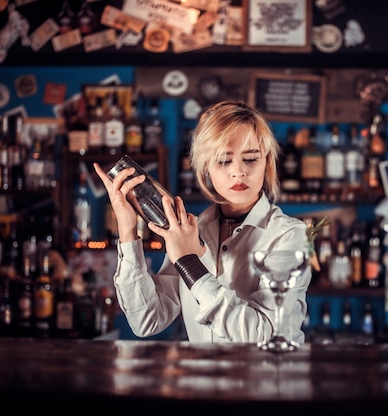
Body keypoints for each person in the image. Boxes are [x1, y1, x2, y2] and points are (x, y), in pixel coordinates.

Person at [93, 100, 311, 344]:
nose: (238, 171)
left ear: (266, 163)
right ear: (207, 168)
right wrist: (127, 230)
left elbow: (259, 334)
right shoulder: (191, 231)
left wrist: (189, 262)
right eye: (223, 160)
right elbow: (147, 321)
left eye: (250, 159)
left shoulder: (290, 236)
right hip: (201, 381)